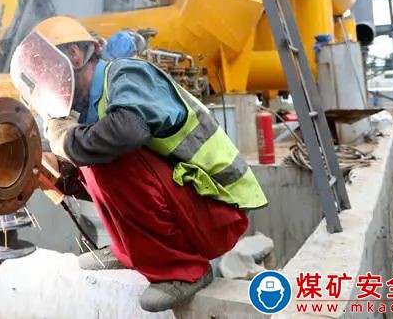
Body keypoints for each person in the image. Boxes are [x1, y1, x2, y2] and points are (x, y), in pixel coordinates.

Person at [15, 16, 268, 312]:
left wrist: (67, 141)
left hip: (219, 210)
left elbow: (127, 131)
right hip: (190, 205)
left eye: (46, 70)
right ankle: (130, 250)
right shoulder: (86, 108)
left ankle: (182, 271)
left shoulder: (126, 74)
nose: (45, 80)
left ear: (73, 55)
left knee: (106, 151)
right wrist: (53, 173)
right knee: (74, 164)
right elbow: (91, 166)